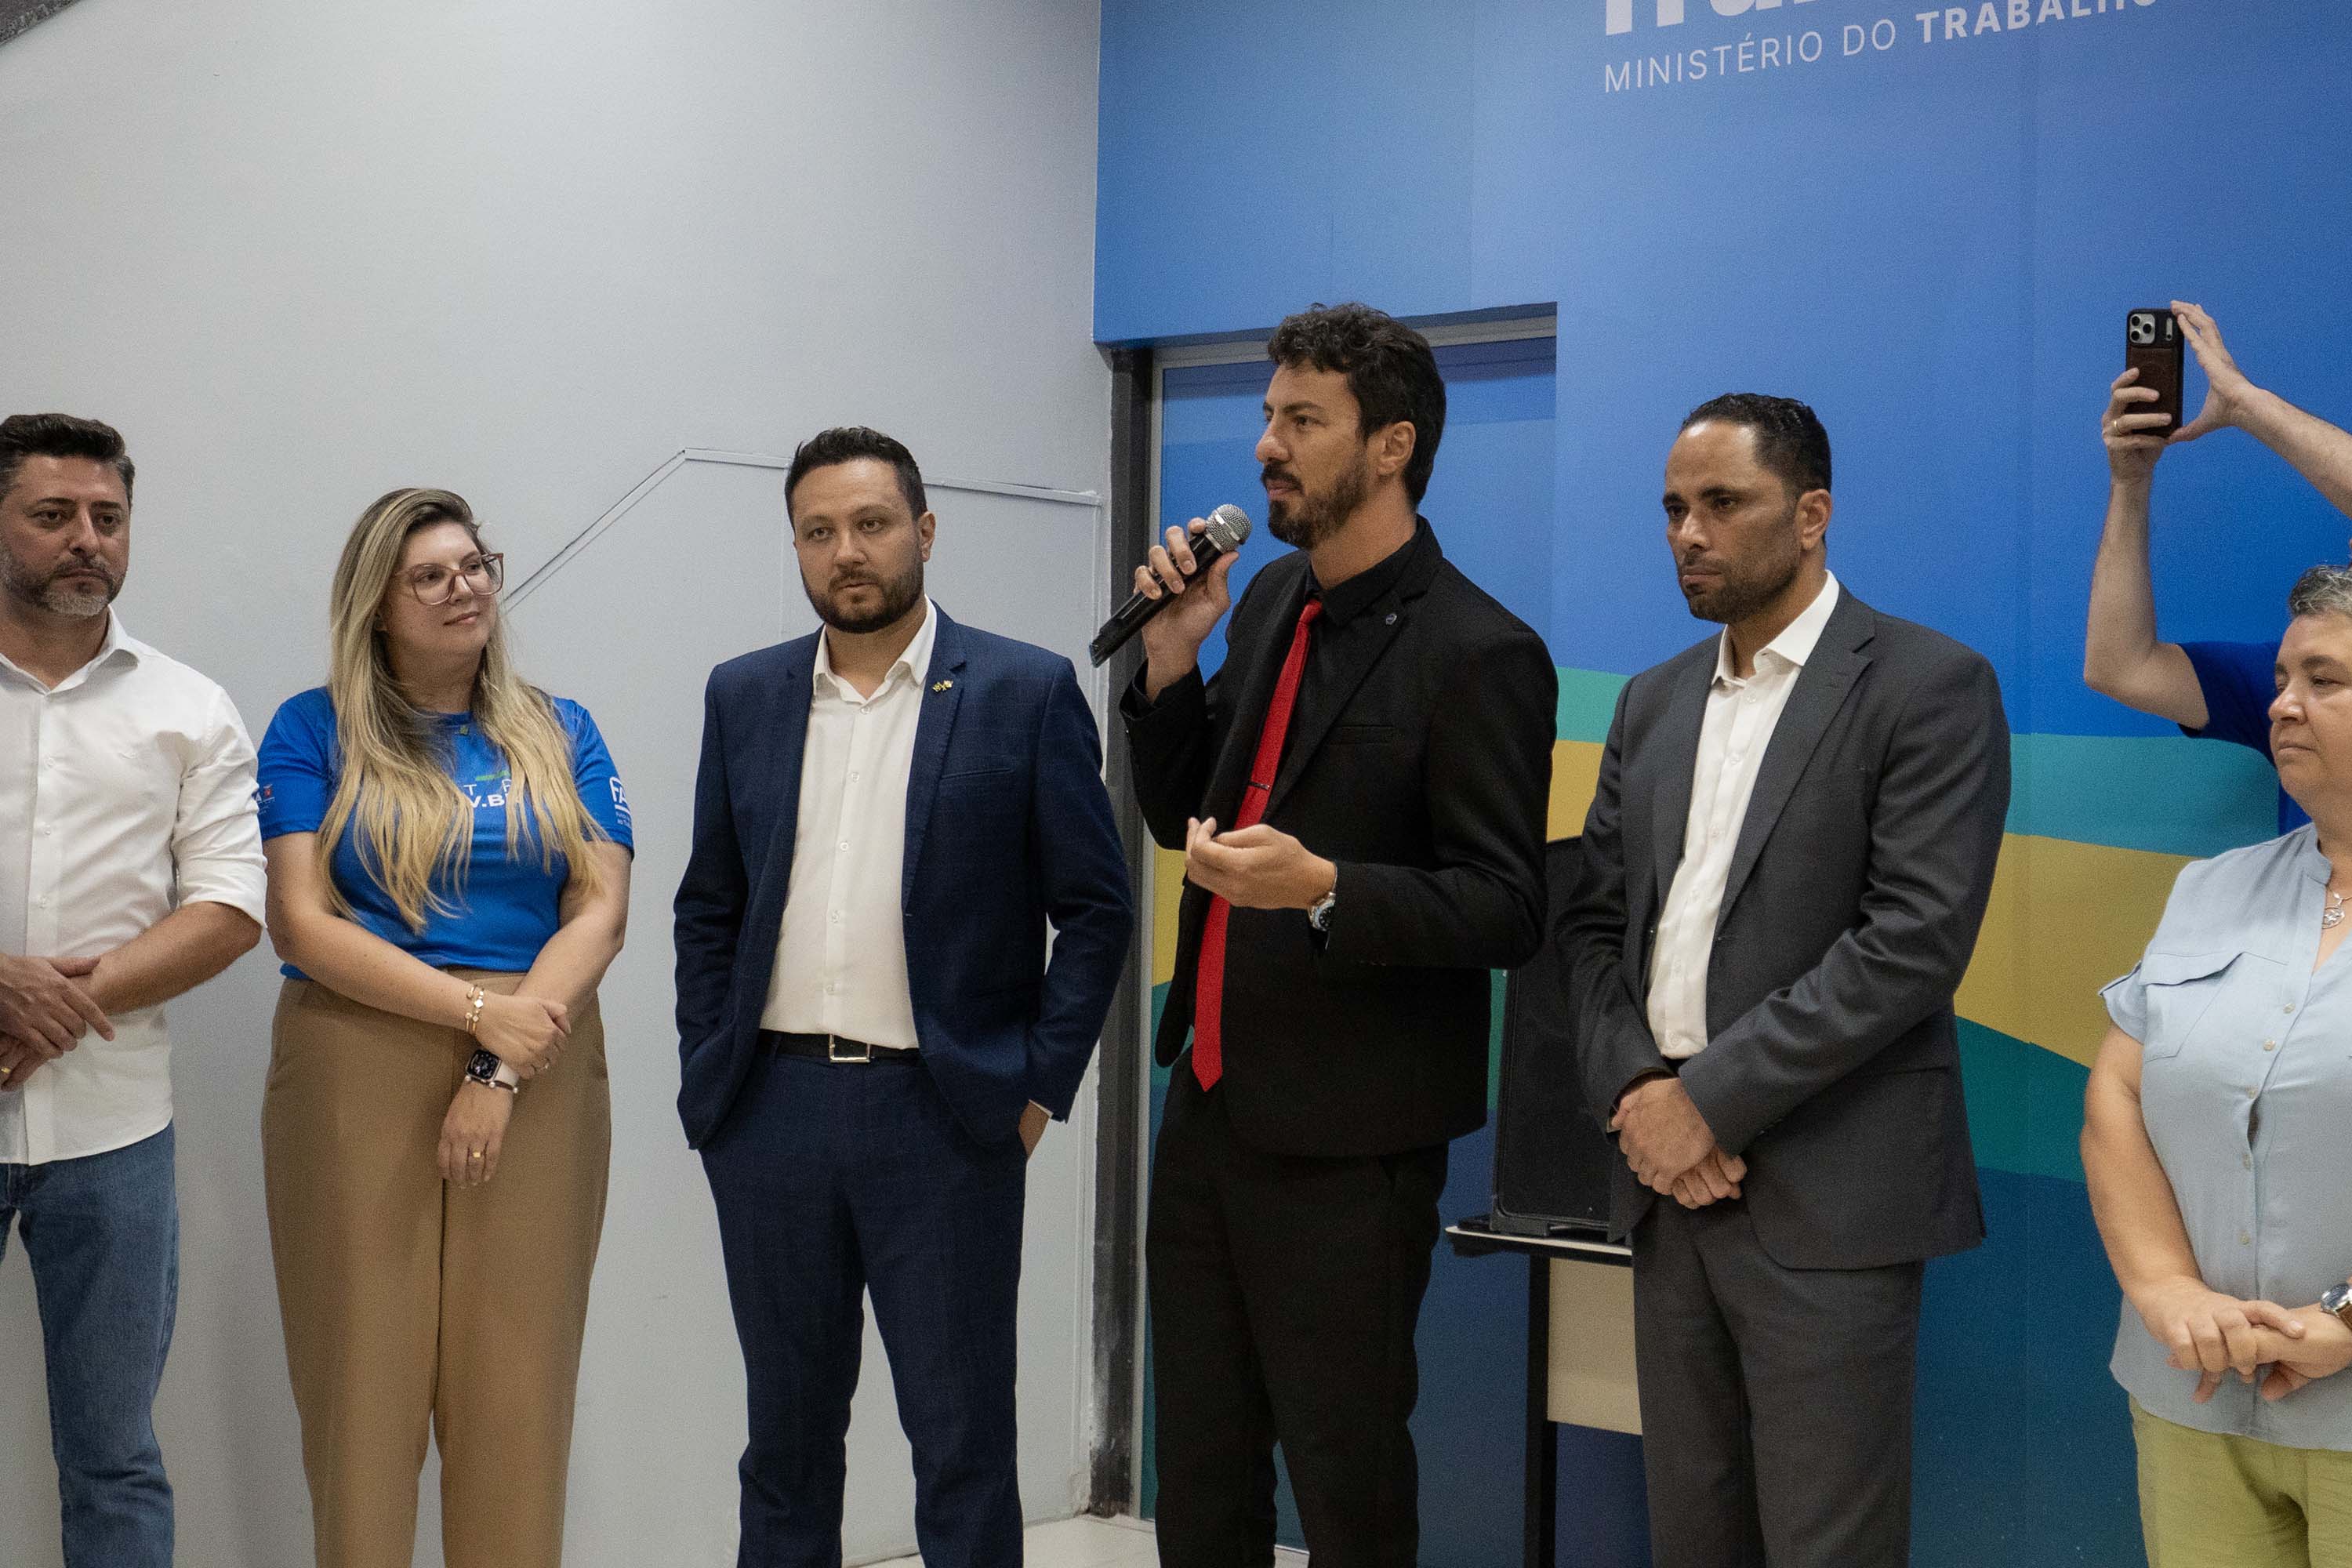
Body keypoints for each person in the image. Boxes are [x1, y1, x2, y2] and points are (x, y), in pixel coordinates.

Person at [1124, 303, 1555, 1566]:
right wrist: (1169, 662)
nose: (1268, 445)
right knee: (1201, 1477)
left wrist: (1326, 887)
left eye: (1302, 421)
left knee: (1344, 1484)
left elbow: (1508, 906)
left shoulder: (1481, 650)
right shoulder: (1267, 599)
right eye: (1270, 416)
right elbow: (1180, 813)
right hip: (1205, 1110)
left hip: (1350, 1144)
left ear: (1390, 446)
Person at [1559, 394, 2011, 1567]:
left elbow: (1912, 941)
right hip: (1666, 1189)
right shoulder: (1652, 701)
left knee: (1827, 1547)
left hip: (1829, 1198)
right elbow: (1593, 927)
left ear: (1812, 515)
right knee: (1693, 1536)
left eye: (1722, 503)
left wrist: (1705, 1103)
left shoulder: (1928, 683)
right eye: (1673, 508)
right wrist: (1639, 1098)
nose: (1687, 533)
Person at [673, 425, 1131, 1566]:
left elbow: (1096, 910)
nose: (847, 551)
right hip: (770, 1115)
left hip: (944, 1116)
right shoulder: (746, 695)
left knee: (961, 1444)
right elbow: (709, 905)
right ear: (795, 547)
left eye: (871, 524)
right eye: (818, 531)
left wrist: (1036, 1089)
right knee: (784, 1447)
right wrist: (710, 1073)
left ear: (924, 531)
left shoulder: (1024, 691)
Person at [254, 488, 633, 1568]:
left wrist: (499, 1061)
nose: (463, 588)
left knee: (518, 1384)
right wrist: (476, 1015)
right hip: (354, 1052)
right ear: (377, 604)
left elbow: (599, 909)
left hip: (539, 1056)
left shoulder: (562, 729)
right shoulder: (312, 728)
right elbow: (301, 920)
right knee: (362, 1386)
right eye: (429, 575)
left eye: (475, 565)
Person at [0, 412, 265, 1568]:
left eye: (108, 517)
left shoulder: (190, 708)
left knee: (114, 1460)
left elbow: (231, 907)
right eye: (53, 514)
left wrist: (58, 1003)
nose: (87, 539)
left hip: (114, 1135)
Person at [2084, 564, 2352, 1567]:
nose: (2282, 703)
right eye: (2282, 678)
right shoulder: (2212, 889)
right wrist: (2167, 1291)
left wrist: (2344, 1320)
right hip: (2193, 1396)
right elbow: (2117, 1093)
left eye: (2324, 680)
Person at [2086, 299, 2352, 832]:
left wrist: (2245, 404)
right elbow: (2120, 667)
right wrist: (2130, 485)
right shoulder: (2296, 676)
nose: (2285, 706)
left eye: (2325, 682)